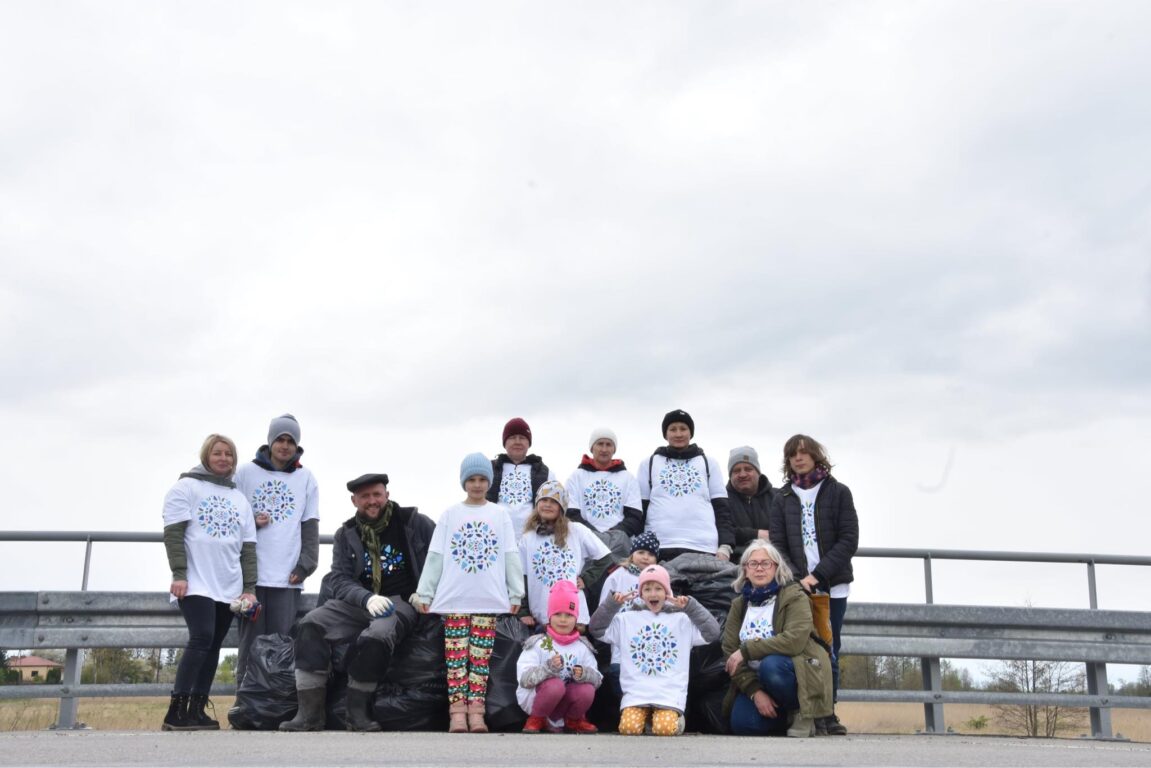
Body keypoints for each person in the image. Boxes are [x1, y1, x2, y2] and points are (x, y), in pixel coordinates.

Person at [279, 472, 434, 732]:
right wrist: (366, 597)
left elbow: (439, 559)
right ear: (354, 501)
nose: (372, 501)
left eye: (377, 495)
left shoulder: (414, 522)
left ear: (387, 495)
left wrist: (425, 592)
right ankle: (309, 715)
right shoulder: (345, 533)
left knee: (379, 634)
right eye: (365, 497)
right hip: (358, 601)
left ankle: (357, 712)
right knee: (309, 624)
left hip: (403, 601)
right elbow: (338, 578)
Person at [413, 453, 525, 733]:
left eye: (482, 479)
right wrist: (425, 593)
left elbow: (511, 554)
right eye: (472, 479)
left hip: (488, 599)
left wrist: (515, 594)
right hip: (455, 598)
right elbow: (436, 555)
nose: (477, 485)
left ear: (489, 481)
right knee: (456, 659)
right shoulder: (450, 514)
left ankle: (477, 713)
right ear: (464, 482)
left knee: (481, 659)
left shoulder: (500, 514)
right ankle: (457, 713)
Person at [161, 434, 257, 731]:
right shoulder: (185, 488)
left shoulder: (239, 498)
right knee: (201, 637)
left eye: (229, 454)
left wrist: (249, 589)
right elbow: (174, 536)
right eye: (217, 453)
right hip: (196, 582)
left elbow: (249, 548)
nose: (224, 458)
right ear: (206, 456)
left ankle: (197, 709)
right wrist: (179, 573)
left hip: (228, 584)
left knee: (214, 645)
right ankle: (176, 711)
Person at [768, 434, 858, 736]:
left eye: (804, 453)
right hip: (796, 588)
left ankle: (829, 713)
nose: (798, 458)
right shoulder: (781, 498)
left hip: (832, 586)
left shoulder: (838, 492)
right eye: (792, 454)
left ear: (817, 456)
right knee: (803, 650)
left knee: (829, 648)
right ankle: (809, 711)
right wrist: (797, 579)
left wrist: (816, 576)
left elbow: (849, 540)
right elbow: (777, 544)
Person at [232, 414, 320, 686]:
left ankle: (277, 701)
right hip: (251, 578)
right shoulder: (246, 473)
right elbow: (230, 516)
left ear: (297, 445)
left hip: (287, 577)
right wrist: (250, 523)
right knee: (251, 643)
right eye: (279, 439)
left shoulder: (306, 478)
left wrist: (306, 564)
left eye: (290, 441)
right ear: (270, 442)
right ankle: (244, 700)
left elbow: (310, 524)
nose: (284, 445)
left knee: (282, 644)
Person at [589, 564, 720, 736]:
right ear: (640, 593)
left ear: (667, 591)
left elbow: (712, 632)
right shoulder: (626, 619)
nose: (653, 593)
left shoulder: (681, 620)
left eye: (658, 588)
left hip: (668, 693)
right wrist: (612, 604)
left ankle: (674, 719)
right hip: (637, 693)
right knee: (629, 728)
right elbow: (596, 629)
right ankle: (647, 719)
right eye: (647, 589)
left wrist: (691, 607)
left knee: (664, 729)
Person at [722, 539, 833, 737]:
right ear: (745, 570)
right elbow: (730, 651)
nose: (759, 569)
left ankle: (802, 711)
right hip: (758, 681)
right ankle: (785, 717)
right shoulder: (739, 605)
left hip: (793, 670)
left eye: (766, 563)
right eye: (753, 564)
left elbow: (794, 640)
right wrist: (755, 692)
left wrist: (747, 650)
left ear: (776, 568)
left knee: (770, 666)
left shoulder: (794, 596)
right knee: (742, 724)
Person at [637, 409, 734, 561]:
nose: (678, 434)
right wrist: (638, 546)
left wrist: (725, 546)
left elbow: (722, 508)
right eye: (673, 429)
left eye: (683, 428)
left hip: (703, 545)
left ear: (690, 432)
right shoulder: (648, 464)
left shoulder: (709, 463)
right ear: (665, 434)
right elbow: (640, 509)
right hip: (659, 546)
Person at [519, 480, 613, 630]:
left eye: (554, 501)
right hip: (541, 612)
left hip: (573, 613)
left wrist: (586, 579)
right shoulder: (527, 538)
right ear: (537, 504)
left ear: (561, 507)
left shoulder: (576, 530)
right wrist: (523, 610)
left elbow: (605, 557)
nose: (548, 504)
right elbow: (521, 577)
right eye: (543, 500)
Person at [517, 580, 603, 734]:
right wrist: (548, 668)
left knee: (586, 690)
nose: (563, 620)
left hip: (565, 701)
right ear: (549, 617)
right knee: (555, 685)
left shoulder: (582, 646)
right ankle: (537, 718)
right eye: (557, 614)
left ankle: (573, 719)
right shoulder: (539, 643)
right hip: (540, 699)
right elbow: (524, 680)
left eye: (569, 615)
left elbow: (597, 679)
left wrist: (584, 674)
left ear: (576, 619)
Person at [597, 531, 660, 699]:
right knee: (625, 691)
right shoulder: (617, 576)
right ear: (632, 554)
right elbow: (603, 609)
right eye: (641, 552)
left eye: (650, 554)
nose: (645, 557)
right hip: (621, 646)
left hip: (650, 646)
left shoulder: (660, 580)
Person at [564, 428, 644, 553]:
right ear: (592, 448)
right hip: (584, 543)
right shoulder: (576, 477)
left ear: (614, 449)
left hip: (618, 545)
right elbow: (571, 514)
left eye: (609, 444)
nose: (604, 449)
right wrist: (593, 535)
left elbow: (634, 517)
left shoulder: (628, 478)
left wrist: (611, 535)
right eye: (600, 444)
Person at [487, 417, 555, 534]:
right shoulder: (490, 468)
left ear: (529, 443)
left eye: (522, 438)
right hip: (496, 534)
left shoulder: (544, 472)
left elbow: (555, 507)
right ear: (505, 442)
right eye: (512, 437)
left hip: (533, 536)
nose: (517, 441)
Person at [726, 446, 774, 561]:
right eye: (736, 470)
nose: (742, 474)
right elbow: (723, 531)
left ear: (758, 472)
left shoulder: (778, 498)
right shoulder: (722, 500)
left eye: (748, 469)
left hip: (774, 562)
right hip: (735, 566)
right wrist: (757, 534)